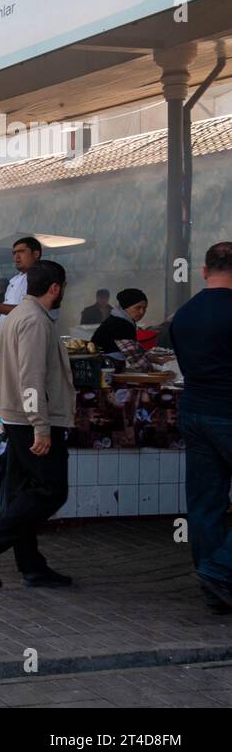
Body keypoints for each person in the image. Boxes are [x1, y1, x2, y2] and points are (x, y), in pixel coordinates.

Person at [0, 260, 74, 590]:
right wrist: (41, 425)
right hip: (32, 420)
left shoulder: (14, 317)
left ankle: (31, 566)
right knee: (51, 490)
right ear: (55, 288)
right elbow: (31, 377)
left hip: (16, 417)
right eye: (63, 287)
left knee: (23, 493)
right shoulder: (36, 321)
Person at [171, 243, 232, 613]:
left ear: (205, 270)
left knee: (206, 503)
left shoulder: (184, 313)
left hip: (193, 412)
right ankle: (220, 568)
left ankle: (215, 591)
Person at [0, 236, 48, 332]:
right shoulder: (14, 280)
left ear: (36, 254)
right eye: (14, 253)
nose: (16, 257)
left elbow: (30, 311)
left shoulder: (42, 277)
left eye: (21, 252)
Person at [89, 288, 147, 357]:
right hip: (104, 364)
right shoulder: (121, 324)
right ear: (125, 307)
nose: (142, 312)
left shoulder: (120, 319)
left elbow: (135, 348)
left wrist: (151, 357)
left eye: (144, 308)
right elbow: (136, 359)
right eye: (137, 307)